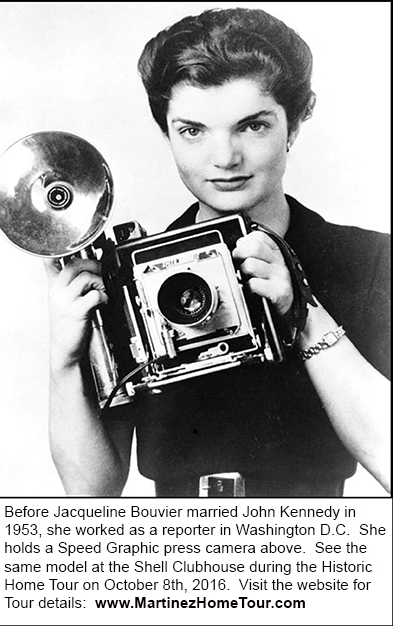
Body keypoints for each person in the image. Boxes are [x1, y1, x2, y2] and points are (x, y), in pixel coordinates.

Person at [43, 7, 390, 497]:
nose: (224, 158)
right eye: (193, 130)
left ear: (295, 123)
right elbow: (90, 491)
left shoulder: (370, 260)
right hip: (177, 557)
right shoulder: (130, 273)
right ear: (166, 132)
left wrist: (305, 313)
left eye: (253, 126)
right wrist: (64, 360)